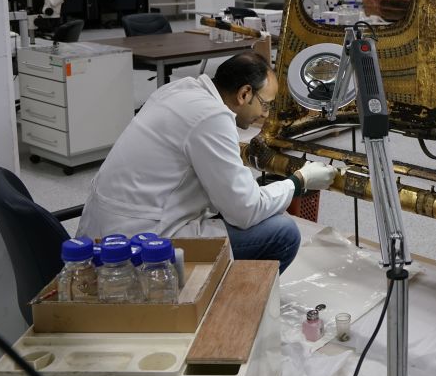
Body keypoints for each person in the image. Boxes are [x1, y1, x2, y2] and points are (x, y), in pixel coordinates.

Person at [78, 51, 336, 273]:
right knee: (283, 233)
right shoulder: (212, 118)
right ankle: (238, 308)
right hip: (143, 242)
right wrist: (298, 182)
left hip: (103, 229)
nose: (265, 115)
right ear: (245, 93)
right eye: (265, 105)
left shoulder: (180, 90)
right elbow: (244, 211)